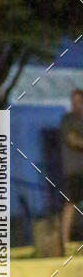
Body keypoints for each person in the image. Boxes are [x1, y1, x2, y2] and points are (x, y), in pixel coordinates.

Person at [60, 89, 83, 247]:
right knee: (70, 204)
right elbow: (72, 139)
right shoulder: (67, 120)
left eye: (79, 101)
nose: (76, 104)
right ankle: (65, 242)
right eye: (73, 101)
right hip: (74, 170)